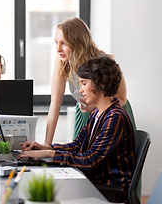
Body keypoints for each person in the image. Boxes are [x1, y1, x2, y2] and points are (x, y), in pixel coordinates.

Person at [19, 56, 136, 203]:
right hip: (94, 182)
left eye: (84, 83)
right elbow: (77, 146)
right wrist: (46, 147)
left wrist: (49, 153)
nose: (80, 90)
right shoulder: (97, 113)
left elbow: (90, 160)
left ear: (100, 84)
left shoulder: (115, 117)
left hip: (109, 189)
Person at [44, 17, 135, 144]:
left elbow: (121, 99)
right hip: (84, 113)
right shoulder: (62, 59)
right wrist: (46, 145)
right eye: (56, 42)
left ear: (77, 42)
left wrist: (95, 106)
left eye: (64, 43)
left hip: (112, 115)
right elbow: (55, 102)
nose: (58, 49)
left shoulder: (104, 63)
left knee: (99, 160)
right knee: (78, 157)